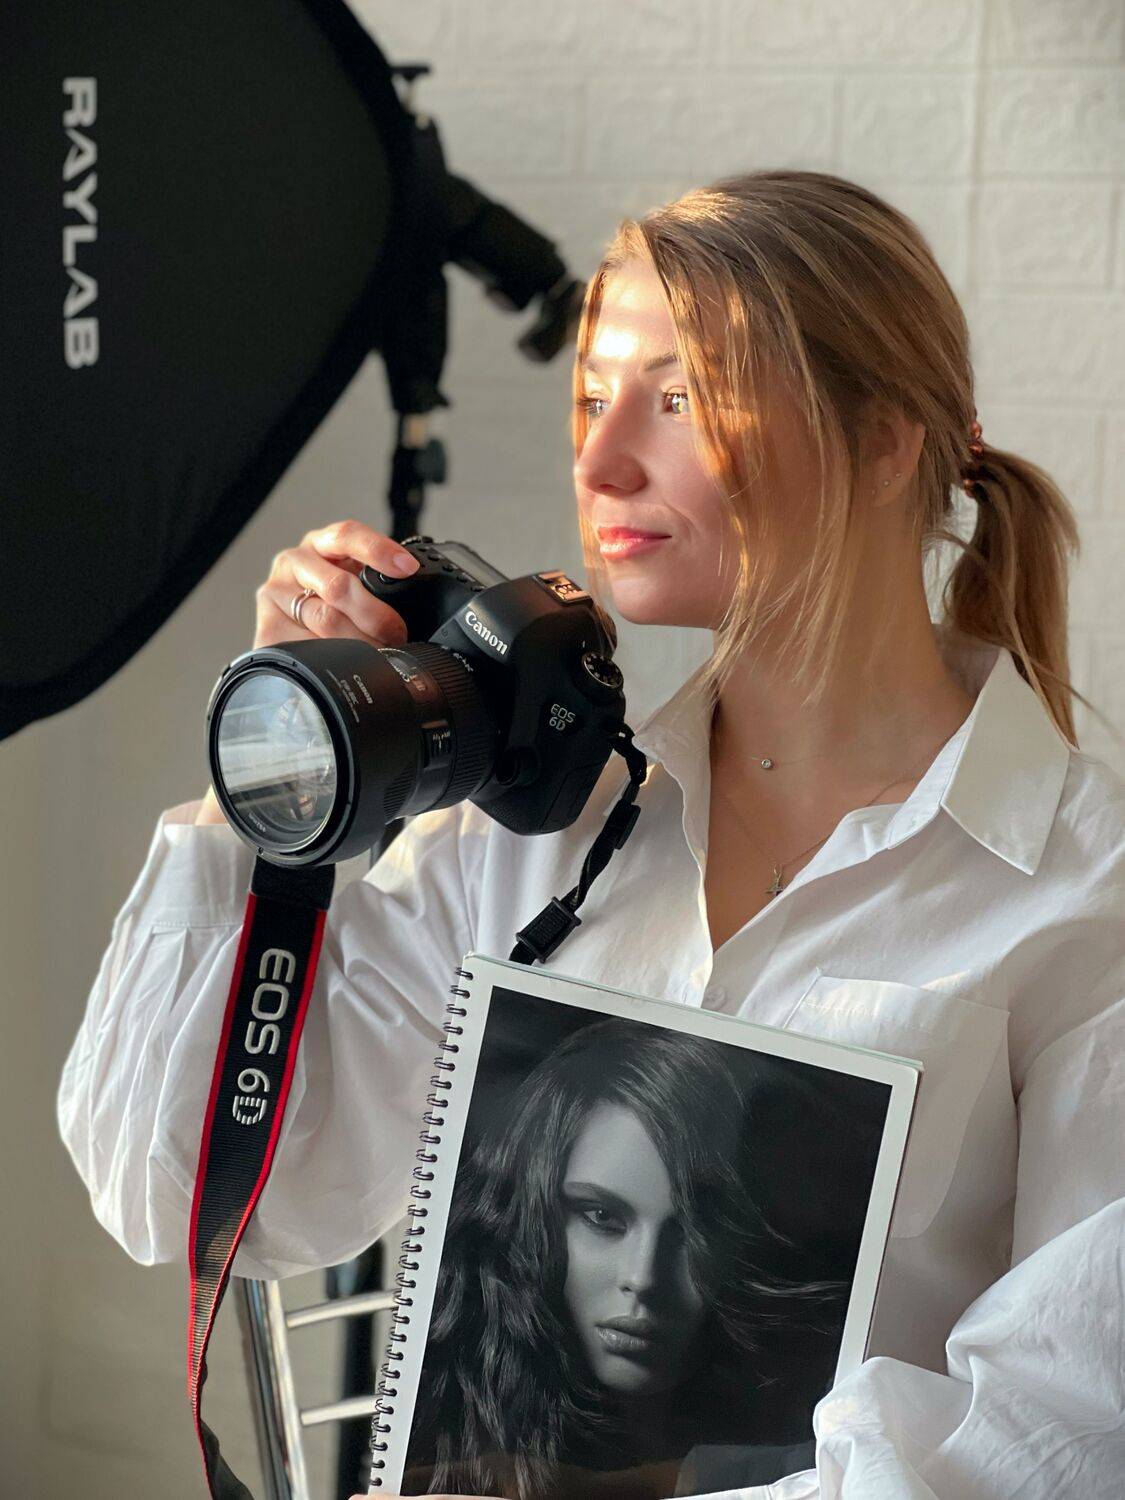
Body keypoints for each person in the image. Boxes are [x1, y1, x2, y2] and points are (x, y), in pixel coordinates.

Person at [59, 168, 1124, 1500]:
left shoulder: (1085, 890)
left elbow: (1059, 1430)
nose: (602, 457)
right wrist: (277, 774)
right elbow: (186, 1197)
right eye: (591, 396)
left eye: (678, 399)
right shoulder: (529, 834)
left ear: (885, 439)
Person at [396, 1018, 871, 1499]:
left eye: (693, 1233)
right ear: (531, 1216)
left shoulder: (828, 1443)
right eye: (602, 1217)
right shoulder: (443, 1434)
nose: (642, 1278)